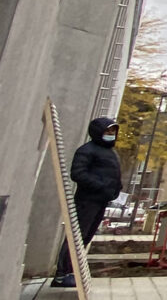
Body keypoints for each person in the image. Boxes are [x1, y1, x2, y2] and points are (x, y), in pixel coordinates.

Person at [52, 118, 123, 288]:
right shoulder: (87, 150)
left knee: (86, 236)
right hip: (87, 200)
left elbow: (111, 174)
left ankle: (72, 270)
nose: (111, 135)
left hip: (101, 200)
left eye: (113, 131)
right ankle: (62, 274)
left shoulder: (110, 153)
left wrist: (115, 188)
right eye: (108, 131)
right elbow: (78, 174)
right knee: (77, 236)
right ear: (98, 132)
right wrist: (101, 187)